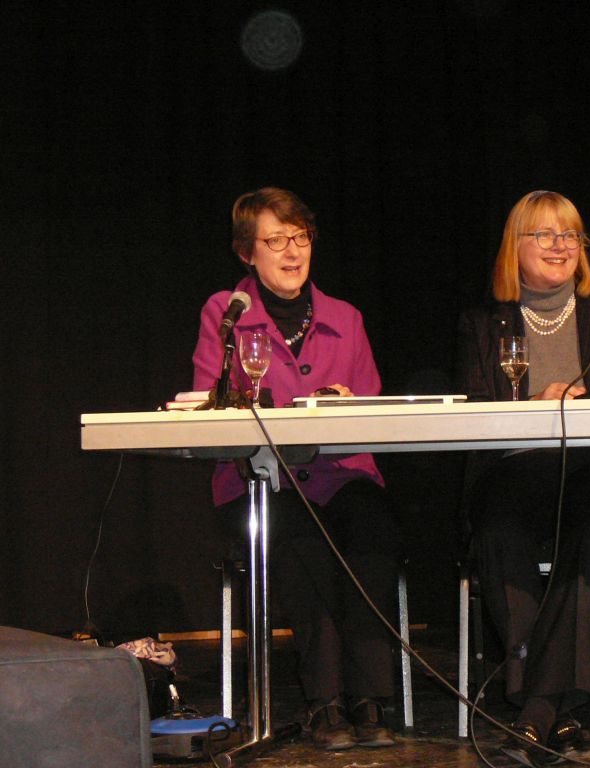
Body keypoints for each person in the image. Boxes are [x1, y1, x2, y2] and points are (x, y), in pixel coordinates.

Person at [455, 190, 590, 766]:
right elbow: (475, 413)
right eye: (543, 234)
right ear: (513, 248)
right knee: (497, 527)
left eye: (570, 235)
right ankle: (556, 708)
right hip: (516, 466)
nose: (559, 246)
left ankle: (536, 707)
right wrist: (537, 412)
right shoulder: (482, 323)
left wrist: (587, 400)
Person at [192, 187, 398, 751]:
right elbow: (208, 405)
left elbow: (372, 407)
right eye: (275, 239)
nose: (292, 251)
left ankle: (370, 698)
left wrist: (342, 404)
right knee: (302, 537)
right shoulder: (225, 312)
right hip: (260, 484)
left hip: (342, 474)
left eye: (300, 237)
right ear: (246, 253)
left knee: (373, 530)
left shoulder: (345, 318)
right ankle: (325, 704)